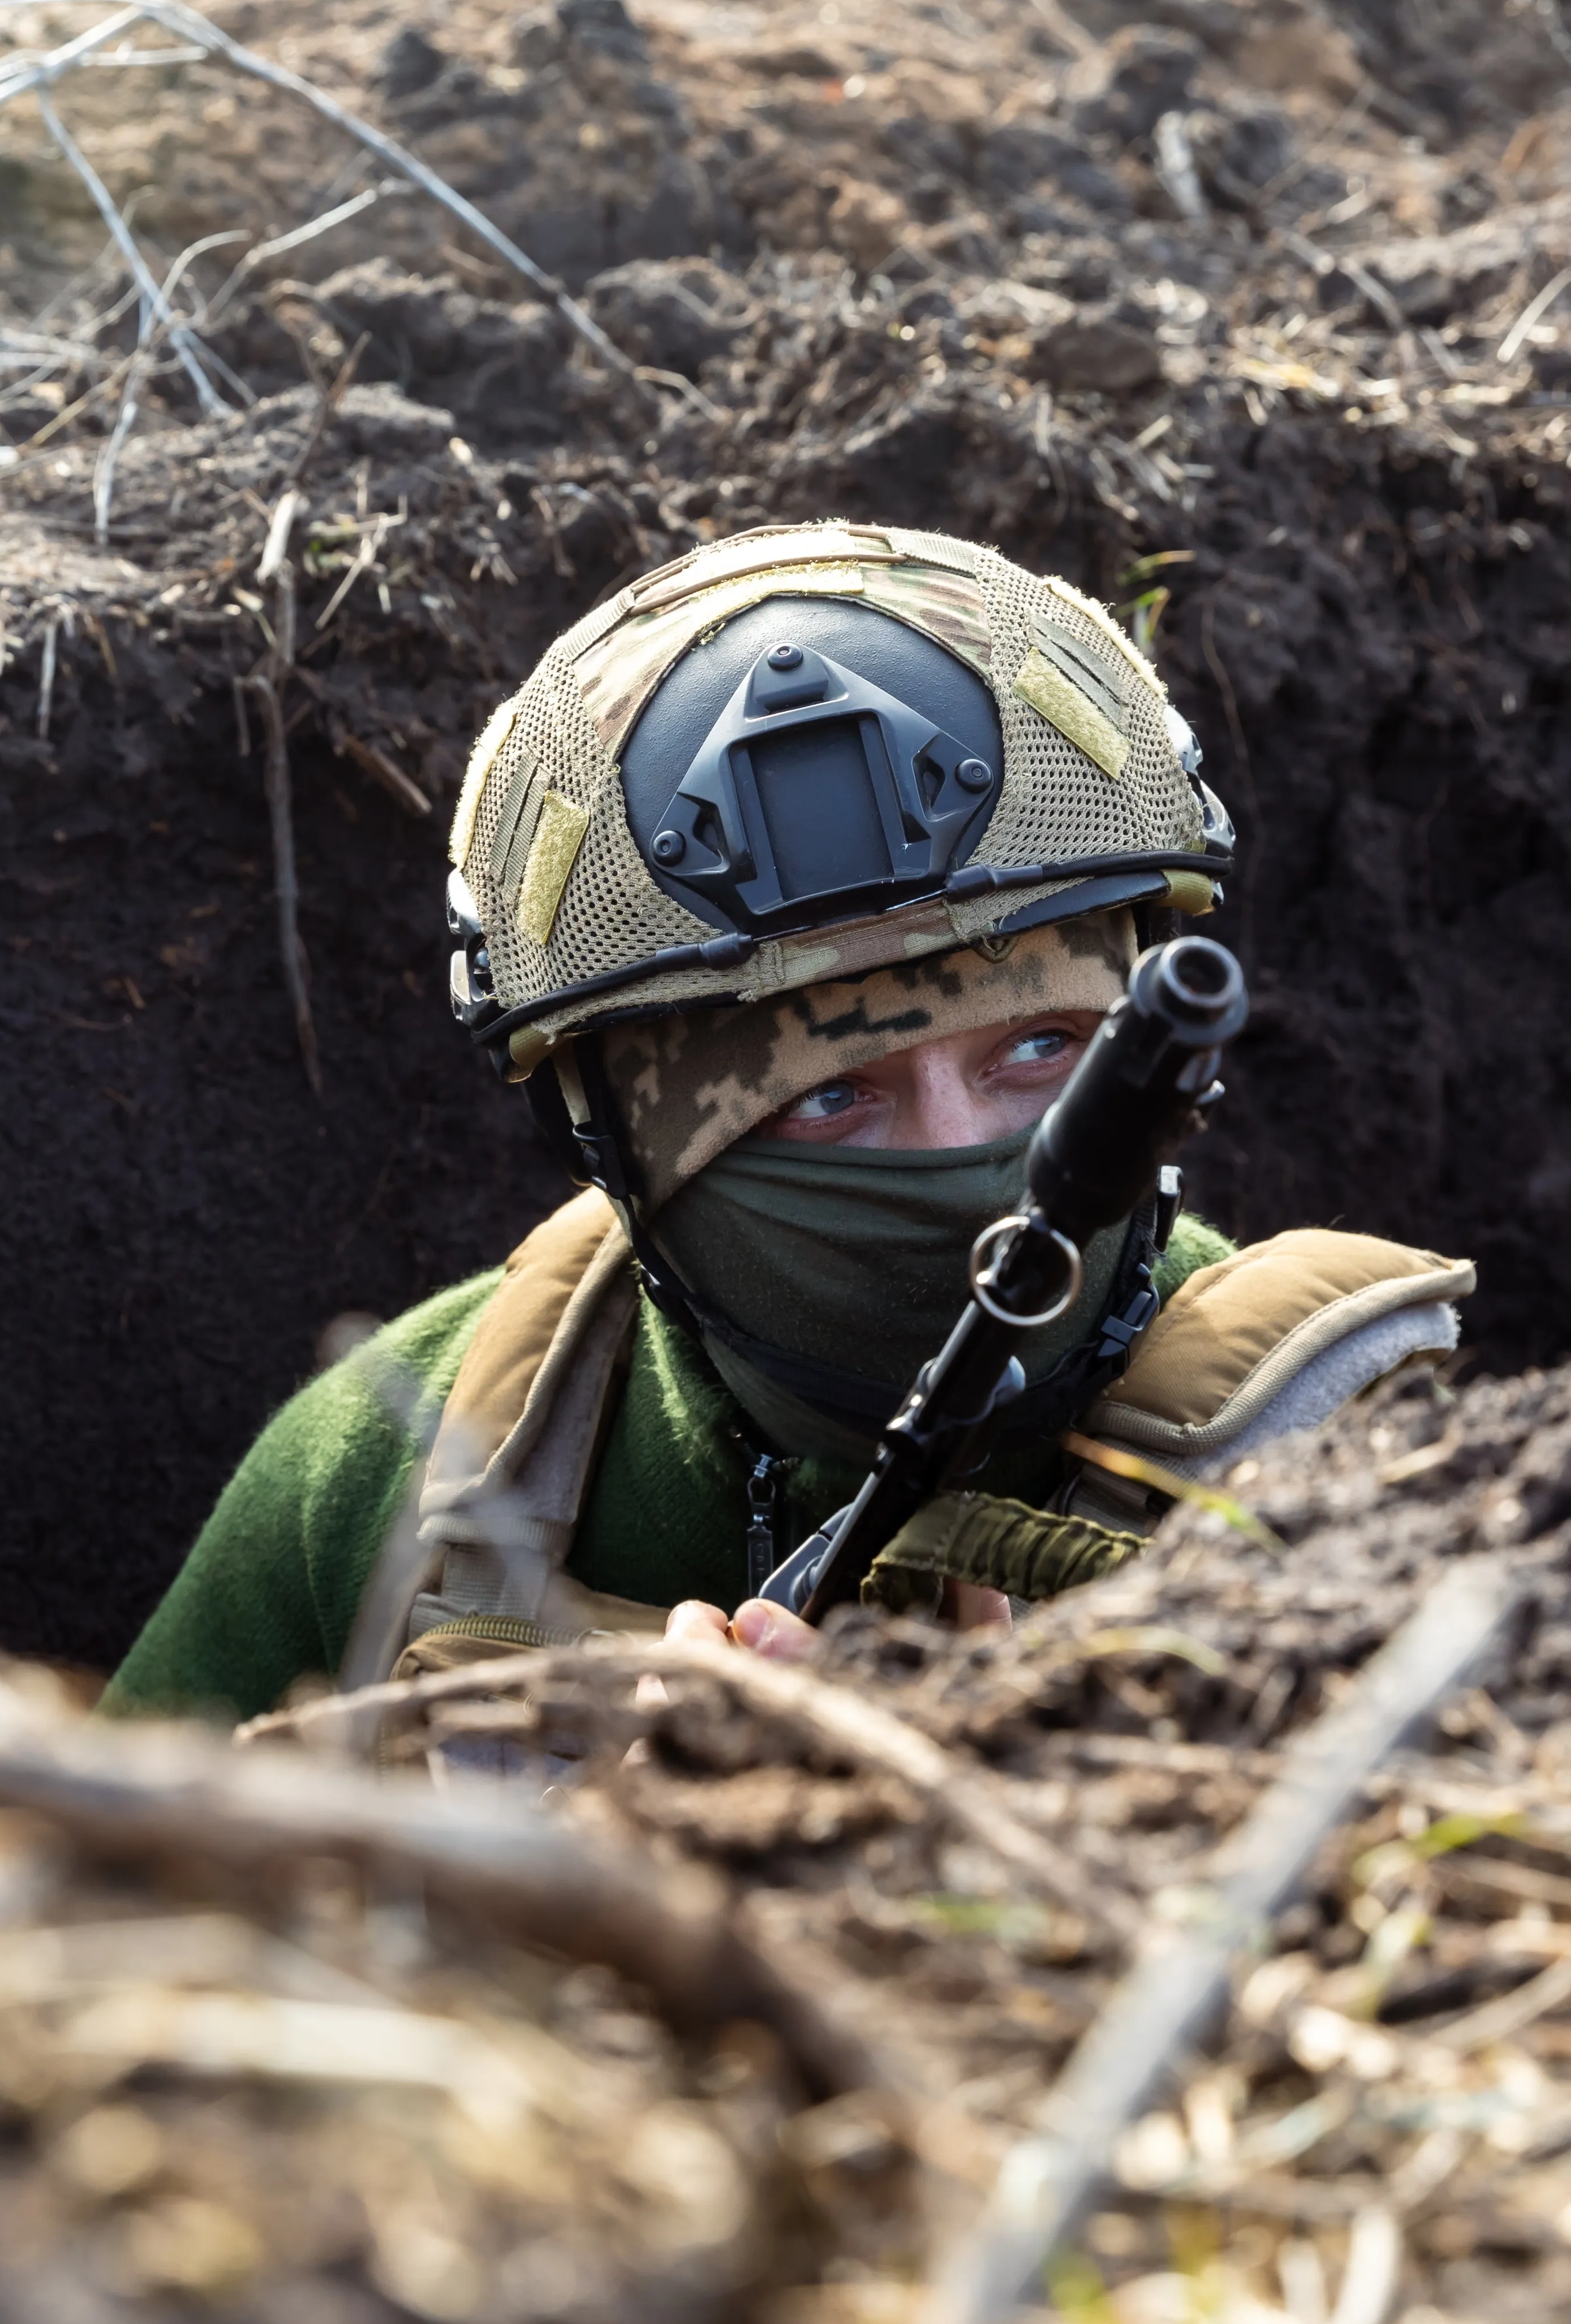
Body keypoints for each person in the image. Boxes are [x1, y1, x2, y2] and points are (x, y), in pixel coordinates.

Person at [102, 523, 1471, 1720]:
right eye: (831, 1096)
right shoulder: (390, 1472)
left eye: (1039, 1050)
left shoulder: (1331, 1452)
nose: (958, 1162)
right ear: (620, 1142)